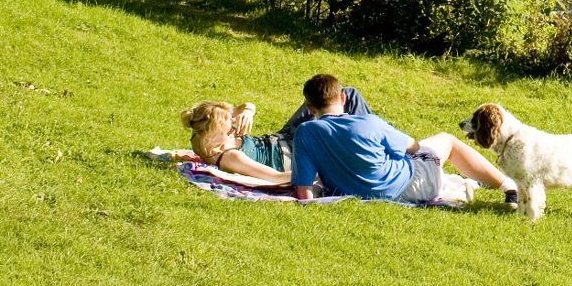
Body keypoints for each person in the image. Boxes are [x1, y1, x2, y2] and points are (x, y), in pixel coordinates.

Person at [289, 73, 516, 206]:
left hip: (356, 191)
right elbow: (415, 147)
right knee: (446, 141)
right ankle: (508, 187)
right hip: (406, 186)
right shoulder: (368, 123)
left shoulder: (305, 133)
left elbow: (304, 192)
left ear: (310, 108)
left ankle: (472, 181)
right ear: (342, 97)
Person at [180, 75, 373, 186]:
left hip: (285, 135)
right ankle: (379, 142)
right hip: (297, 149)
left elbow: (245, 106)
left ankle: (379, 137)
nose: (235, 127)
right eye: (230, 127)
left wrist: (247, 111)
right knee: (349, 98)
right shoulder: (231, 158)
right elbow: (277, 178)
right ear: (215, 133)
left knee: (347, 94)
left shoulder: (200, 133)